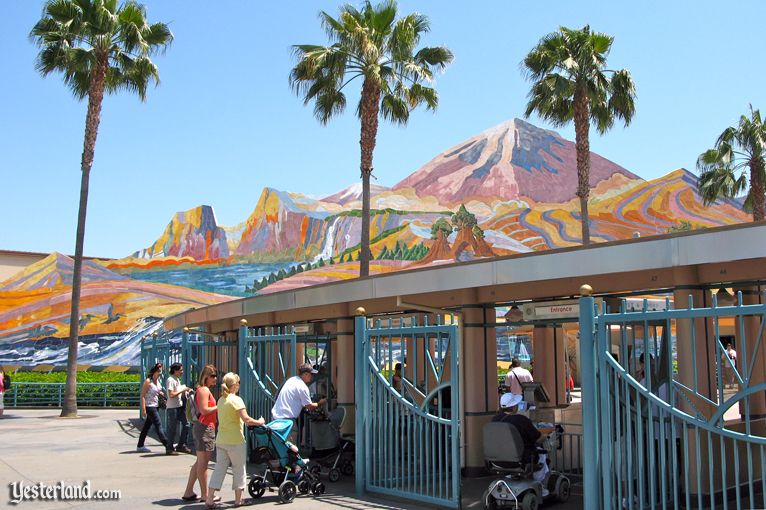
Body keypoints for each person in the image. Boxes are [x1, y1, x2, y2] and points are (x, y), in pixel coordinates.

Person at [206, 373, 265, 509]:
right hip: (235, 440)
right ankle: (238, 500)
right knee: (239, 469)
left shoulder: (221, 399)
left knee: (219, 469)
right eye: (238, 383)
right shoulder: (236, 400)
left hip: (221, 439)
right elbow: (247, 420)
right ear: (234, 385)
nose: (239, 385)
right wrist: (260, 422)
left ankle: (209, 499)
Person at [182, 365, 219, 503]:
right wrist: (219, 405)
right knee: (203, 464)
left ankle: (189, 491)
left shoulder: (203, 389)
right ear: (206, 377)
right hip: (205, 428)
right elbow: (204, 410)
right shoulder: (203, 390)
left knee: (199, 462)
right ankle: (205, 494)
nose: (215, 378)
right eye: (213, 376)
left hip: (203, 427)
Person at [272, 363, 327, 443]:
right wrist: (321, 402)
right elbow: (309, 406)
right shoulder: (302, 387)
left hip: (276, 419)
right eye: (311, 374)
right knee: (289, 449)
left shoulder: (292, 380)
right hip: (287, 422)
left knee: (278, 447)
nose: (312, 377)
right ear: (305, 374)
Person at [137, 362, 176, 455]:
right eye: (158, 371)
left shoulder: (157, 381)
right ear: (154, 371)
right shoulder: (148, 381)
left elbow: (157, 391)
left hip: (156, 405)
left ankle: (140, 445)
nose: (160, 373)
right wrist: (143, 409)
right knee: (158, 425)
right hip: (150, 406)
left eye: (161, 371)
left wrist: (160, 394)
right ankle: (167, 445)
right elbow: (142, 395)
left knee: (146, 427)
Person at [166, 363, 192, 454]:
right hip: (173, 408)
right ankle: (169, 448)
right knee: (172, 428)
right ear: (175, 370)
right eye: (180, 370)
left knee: (187, 424)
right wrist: (182, 390)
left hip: (179, 406)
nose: (182, 372)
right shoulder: (170, 380)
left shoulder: (177, 379)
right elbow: (171, 394)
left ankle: (181, 444)